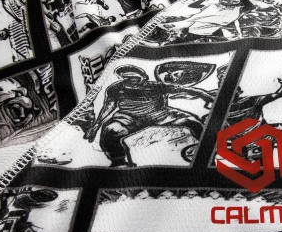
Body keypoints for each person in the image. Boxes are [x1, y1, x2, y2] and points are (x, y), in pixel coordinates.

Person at [83, 65, 214, 167]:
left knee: (191, 121)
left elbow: (185, 89)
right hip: (129, 116)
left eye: (134, 78)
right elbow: (108, 107)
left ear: (144, 77)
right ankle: (119, 163)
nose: (131, 81)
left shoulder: (155, 86)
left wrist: (205, 95)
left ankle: (209, 149)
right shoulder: (115, 88)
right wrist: (96, 125)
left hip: (160, 114)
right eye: (127, 79)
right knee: (110, 131)